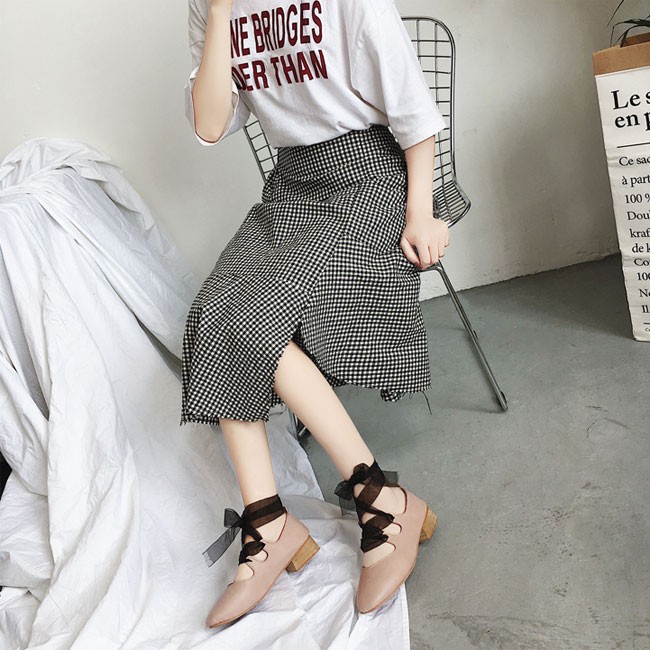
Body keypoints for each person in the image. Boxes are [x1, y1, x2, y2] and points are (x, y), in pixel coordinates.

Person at [180, 0, 450, 629]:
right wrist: (219, 11)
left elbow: (411, 105)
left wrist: (422, 211)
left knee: (256, 319)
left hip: (369, 174)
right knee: (217, 311)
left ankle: (380, 497)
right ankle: (269, 522)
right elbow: (211, 125)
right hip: (292, 184)